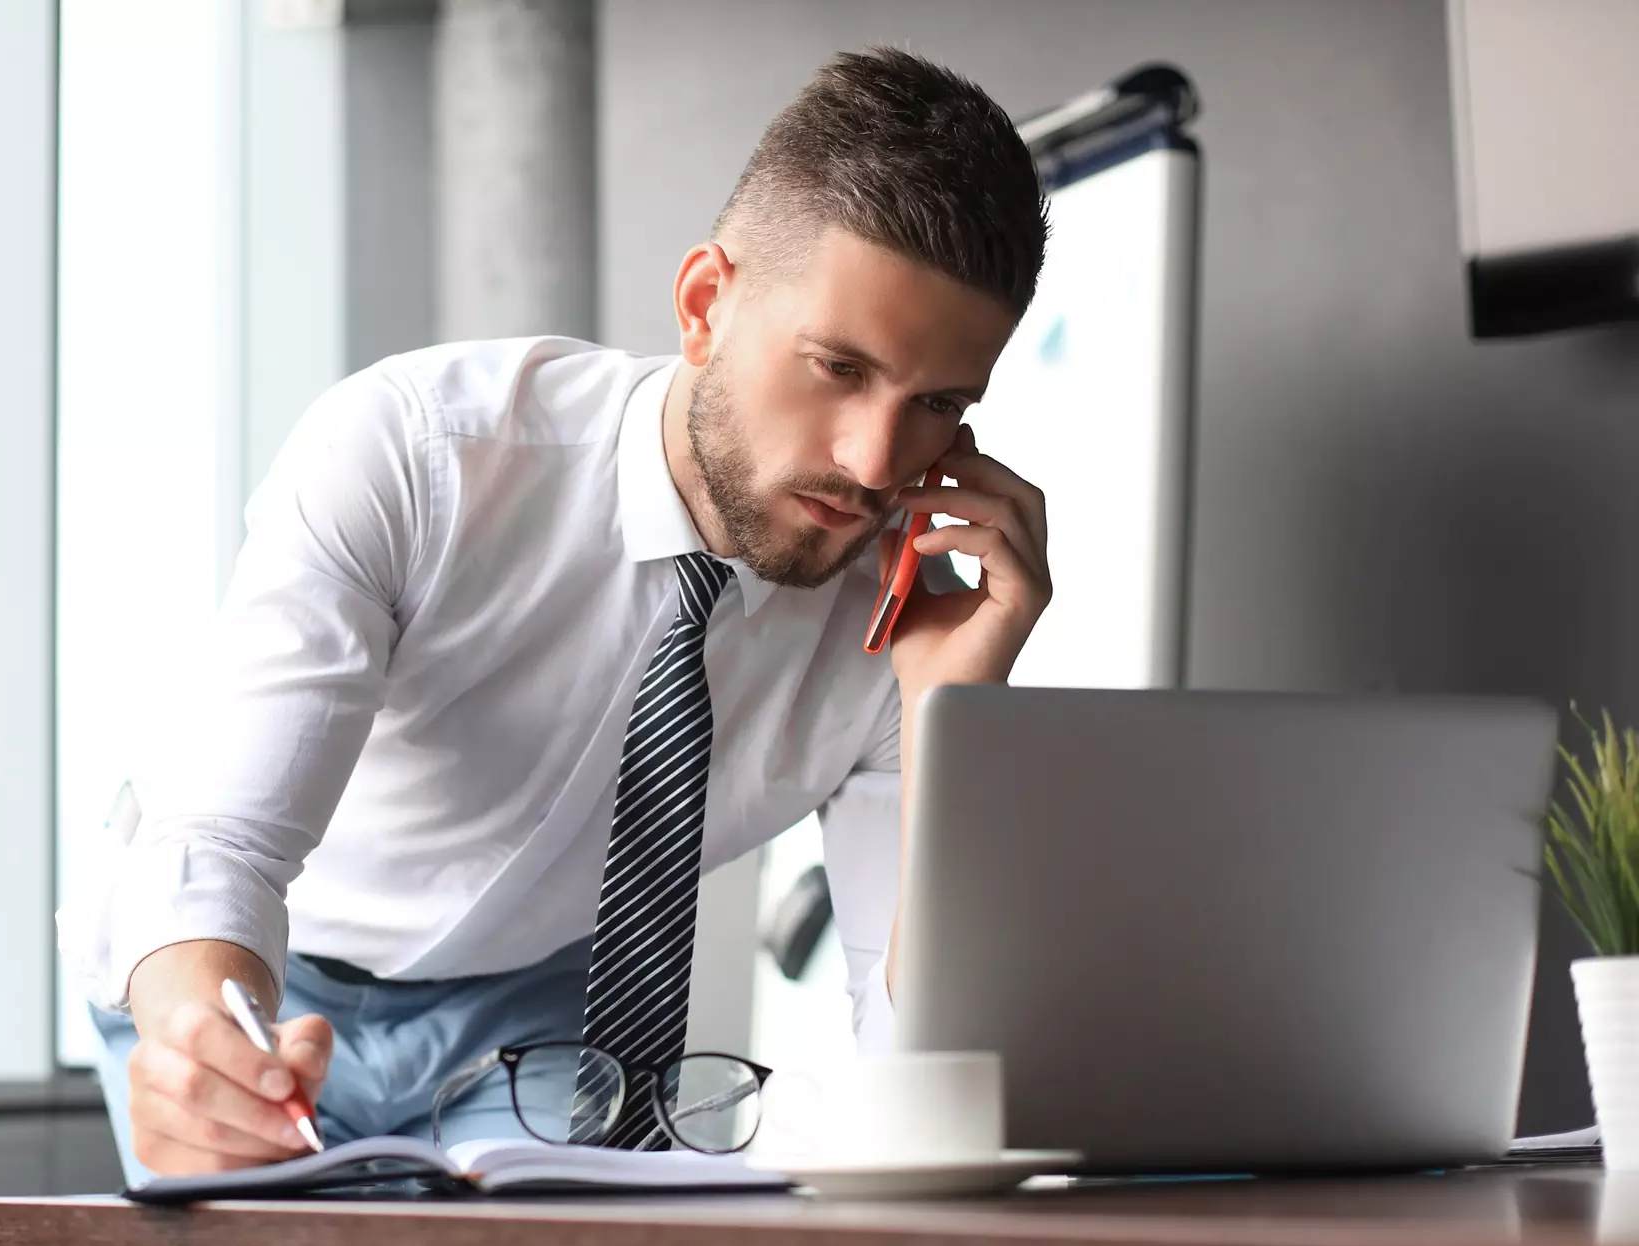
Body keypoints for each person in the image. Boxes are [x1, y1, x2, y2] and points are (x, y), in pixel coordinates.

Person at [59, 45, 1052, 1183]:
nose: (876, 461)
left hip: (530, 1005)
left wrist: (954, 714)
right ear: (705, 305)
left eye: (936, 404)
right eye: (835, 367)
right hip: (240, 962)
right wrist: (202, 1035)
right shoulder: (417, 455)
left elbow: (920, 1080)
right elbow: (222, 841)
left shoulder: (900, 630)